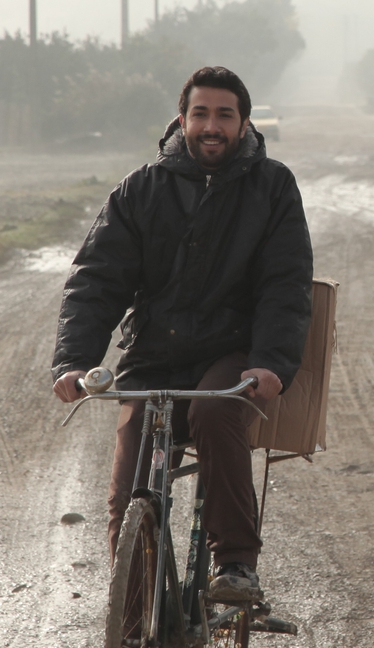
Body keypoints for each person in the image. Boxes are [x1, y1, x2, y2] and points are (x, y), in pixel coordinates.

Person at [51, 65, 313, 608]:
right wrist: (74, 361)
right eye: (201, 114)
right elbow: (98, 279)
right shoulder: (141, 189)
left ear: (244, 124)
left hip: (231, 352)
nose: (211, 126)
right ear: (182, 119)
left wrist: (270, 364)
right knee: (129, 493)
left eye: (224, 115)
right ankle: (135, 630)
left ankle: (236, 563)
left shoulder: (273, 187)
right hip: (153, 355)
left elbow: (284, 286)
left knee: (216, 414)